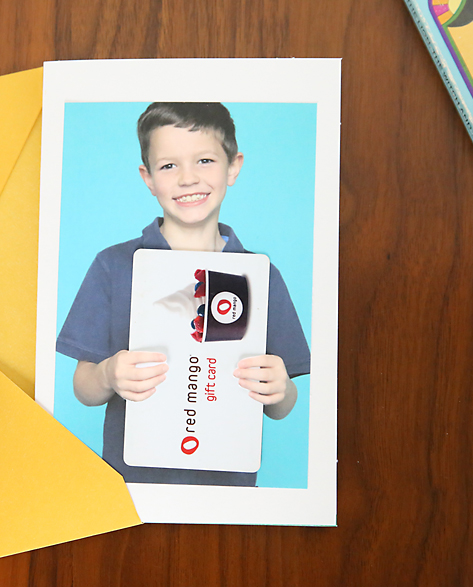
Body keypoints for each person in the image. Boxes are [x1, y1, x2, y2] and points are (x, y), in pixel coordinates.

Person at [56, 102, 310, 486]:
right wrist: (109, 373)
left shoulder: (262, 276)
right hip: (131, 488)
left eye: (205, 160)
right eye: (169, 165)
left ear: (234, 167)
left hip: (229, 493)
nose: (188, 178)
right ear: (148, 178)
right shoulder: (113, 265)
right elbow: (84, 389)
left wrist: (281, 388)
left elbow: (282, 408)